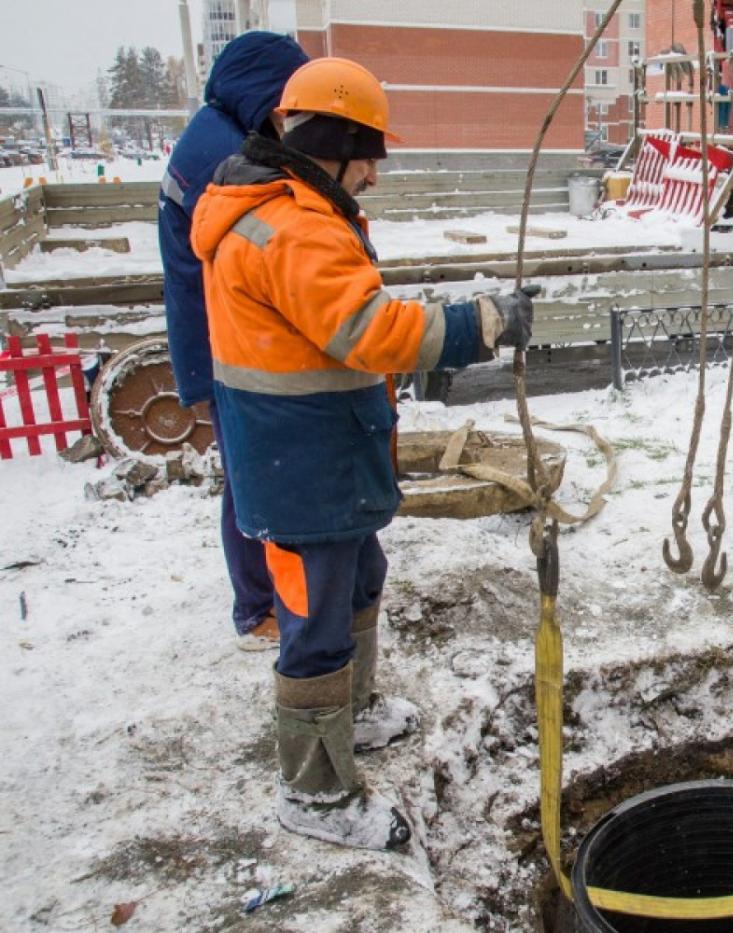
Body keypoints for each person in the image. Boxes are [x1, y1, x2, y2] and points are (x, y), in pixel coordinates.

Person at [191, 56, 535, 849]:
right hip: (301, 460)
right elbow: (368, 330)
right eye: (368, 153)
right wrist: (482, 322)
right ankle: (315, 793)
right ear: (334, 141)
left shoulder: (288, 208)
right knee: (314, 623)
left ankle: (357, 711)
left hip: (316, 451)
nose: (374, 173)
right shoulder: (293, 227)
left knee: (360, 579)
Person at [158, 31, 310, 651]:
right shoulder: (222, 155)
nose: (290, 117)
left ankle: (266, 596)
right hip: (227, 345)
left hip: (214, 338)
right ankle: (257, 609)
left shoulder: (214, 133)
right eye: (287, 102)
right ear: (264, 93)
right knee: (253, 475)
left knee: (252, 471)